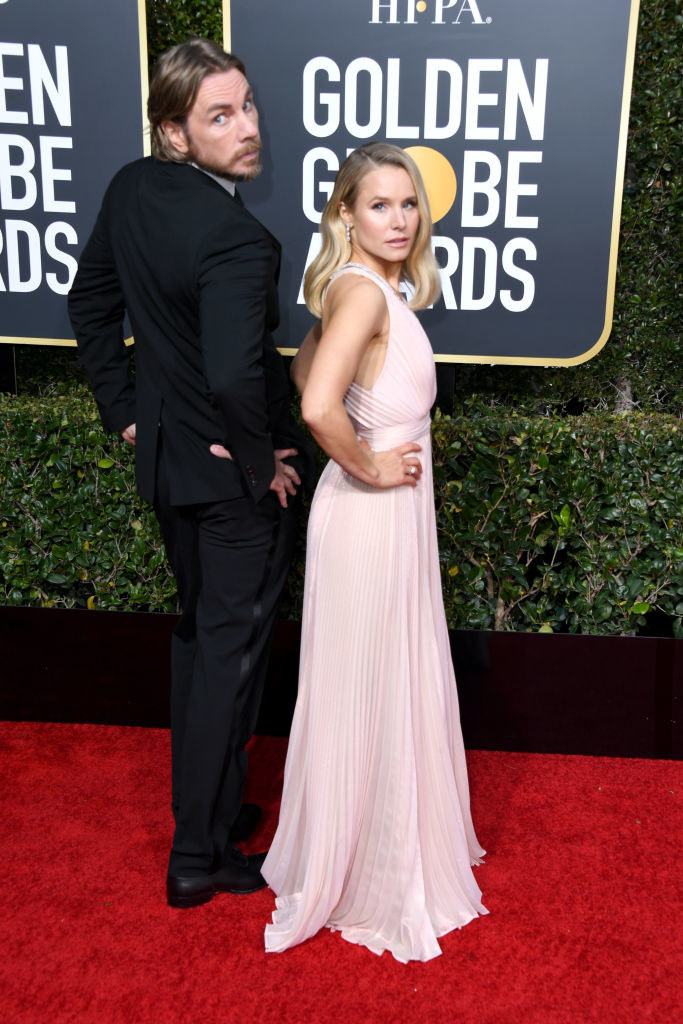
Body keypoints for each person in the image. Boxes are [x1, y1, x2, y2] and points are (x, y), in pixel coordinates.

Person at [68, 39, 311, 909]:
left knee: (198, 651)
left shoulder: (131, 188)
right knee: (228, 662)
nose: (248, 129)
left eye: (247, 105)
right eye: (220, 115)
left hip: (169, 472)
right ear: (175, 132)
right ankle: (199, 855)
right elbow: (235, 376)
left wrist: (129, 414)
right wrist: (260, 463)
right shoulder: (240, 240)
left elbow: (89, 302)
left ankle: (208, 814)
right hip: (231, 492)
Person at [262, 142, 487, 962]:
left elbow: (300, 375)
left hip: (378, 516)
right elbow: (319, 406)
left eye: (408, 204)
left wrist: (372, 456)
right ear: (345, 214)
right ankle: (367, 870)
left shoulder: (360, 291)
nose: (398, 219)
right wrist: (370, 463)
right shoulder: (361, 295)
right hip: (369, 510)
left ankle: (363, 849)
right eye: (379, 205)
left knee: (376, 681)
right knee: (369, 683)